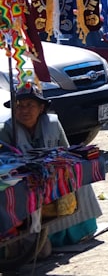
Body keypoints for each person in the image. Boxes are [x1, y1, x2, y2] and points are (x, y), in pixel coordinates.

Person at [1, 86, 102, 254]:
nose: (24, 110)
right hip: (23, 179)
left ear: (41, 108)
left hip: (51, 173)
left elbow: (66, 151)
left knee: (78, 175)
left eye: (29, 105)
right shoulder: (6, 130)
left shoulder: (53, 124)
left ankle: (74, 233)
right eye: (19, 105)